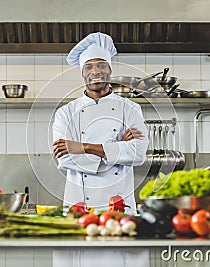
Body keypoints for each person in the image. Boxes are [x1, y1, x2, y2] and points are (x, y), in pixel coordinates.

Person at [52, 32, 149, 215]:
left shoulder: (131, 109)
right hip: (79, 208)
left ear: (110, 70)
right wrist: (116, 149)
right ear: (82, 73)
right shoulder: (65, 113)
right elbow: (64, 158)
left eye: (101, 65)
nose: (95, 71)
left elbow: (138, 154)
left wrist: (83, 147)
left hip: (122, 209)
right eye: (88, 67)